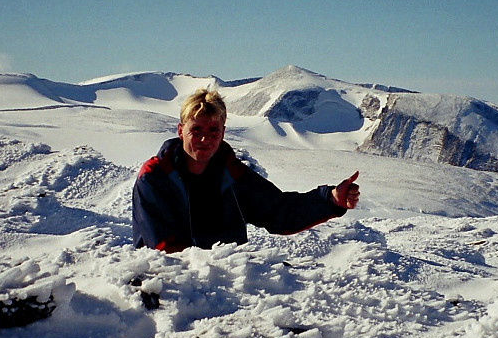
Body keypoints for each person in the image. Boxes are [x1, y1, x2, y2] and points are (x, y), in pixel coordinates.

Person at [132, 88, 360, 253]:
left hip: (225, 284)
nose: (204, 139)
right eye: (196, 130)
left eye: (213, 131)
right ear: (181, 131)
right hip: (167, 286)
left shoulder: (231, 173)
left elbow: (279, 211)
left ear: (223, 133)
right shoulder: (155, 177)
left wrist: (330, 199)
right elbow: (161, 247)